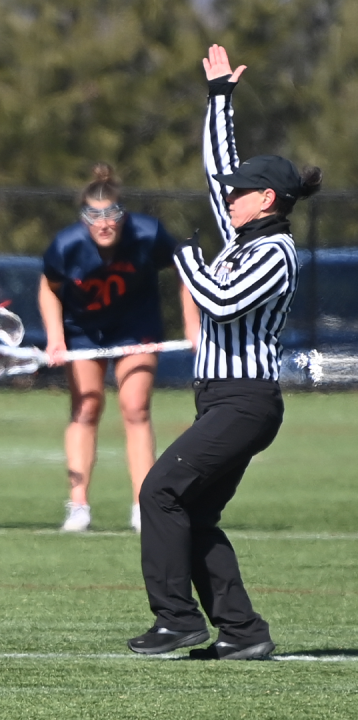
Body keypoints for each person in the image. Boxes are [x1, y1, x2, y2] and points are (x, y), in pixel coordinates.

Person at [128, 45, 322, 661]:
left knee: (159, 492)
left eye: (242, 194)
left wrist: (179, 254)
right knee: (193, 513)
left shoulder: (274, 253)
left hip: (245, 403)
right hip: (220, 400)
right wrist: (219, 100)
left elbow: (219, 300)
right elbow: (219, 172)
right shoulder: (245, 232)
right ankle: (242, 632)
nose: (228, 199)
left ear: (267, 199)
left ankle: (177, 620)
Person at [39, 164, 200, 533]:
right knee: (86, 406)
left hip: (136, 328)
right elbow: (49, 287)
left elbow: (185, 271)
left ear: (122, 214)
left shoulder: (147, 234)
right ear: (83, 218)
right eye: (94, 215)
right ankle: (78, 506)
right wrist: (55, 337)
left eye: (112, 213)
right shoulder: (67, 245)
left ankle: (144, 505)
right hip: (84, 332)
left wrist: (193, 325)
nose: (104, 223)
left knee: (135, 407)